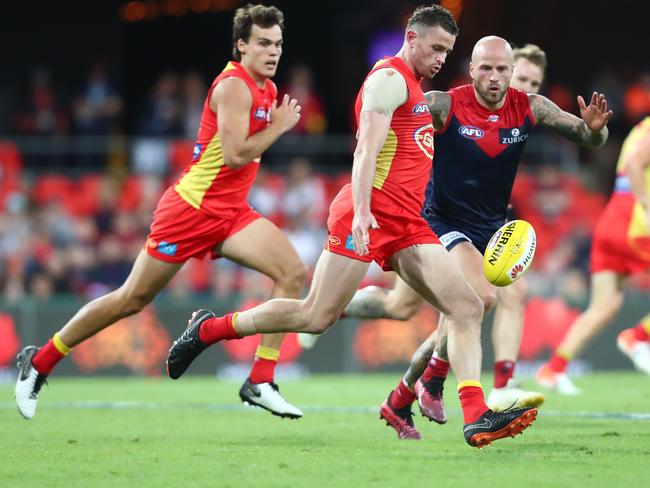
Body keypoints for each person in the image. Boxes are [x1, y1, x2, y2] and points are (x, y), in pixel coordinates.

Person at [166, 5, 538, 448]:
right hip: (371, 214)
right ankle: (209, 328)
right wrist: (362, 212)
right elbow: (365, 149)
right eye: (436, 48)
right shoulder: (390, 78)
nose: (441, 58)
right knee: (314, 315)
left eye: (447, 51)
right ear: (412, 38)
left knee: (469, 304)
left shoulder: (416, 89)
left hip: (408, 220)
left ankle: (475, 415)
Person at [16, 4, 307, 421]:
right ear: (241, 45)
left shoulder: (268, 91)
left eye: (277, 44)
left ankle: (260, 379)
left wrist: (276, 122)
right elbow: (235, 154)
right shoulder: (233, 86)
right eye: (262, 43)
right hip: (189, 211)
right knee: (130, 300)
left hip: (229, 213)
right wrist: (279, 127)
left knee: (292, 273)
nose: (272, 51)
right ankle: (40, 361)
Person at [343, 37, 611, 436]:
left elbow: (589, 138)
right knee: (480, 298)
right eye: (486, 68)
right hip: (441, 220)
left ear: (511, 72)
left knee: (454, 314)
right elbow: (384, 122)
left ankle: (403, 395)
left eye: (502, 70)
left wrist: (595, 132)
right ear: (471, 69)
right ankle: (441, 385)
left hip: (491, 227)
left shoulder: (530, 107)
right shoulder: (444, 104)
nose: (494, 77)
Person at [536, 117, 650, 394]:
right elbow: (636, 164)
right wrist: (647, 205)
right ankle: (638, 337)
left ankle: (554, 369)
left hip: (613, 218)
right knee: (605, 306)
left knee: (604, 306)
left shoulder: (641, 126)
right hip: (635, 220)